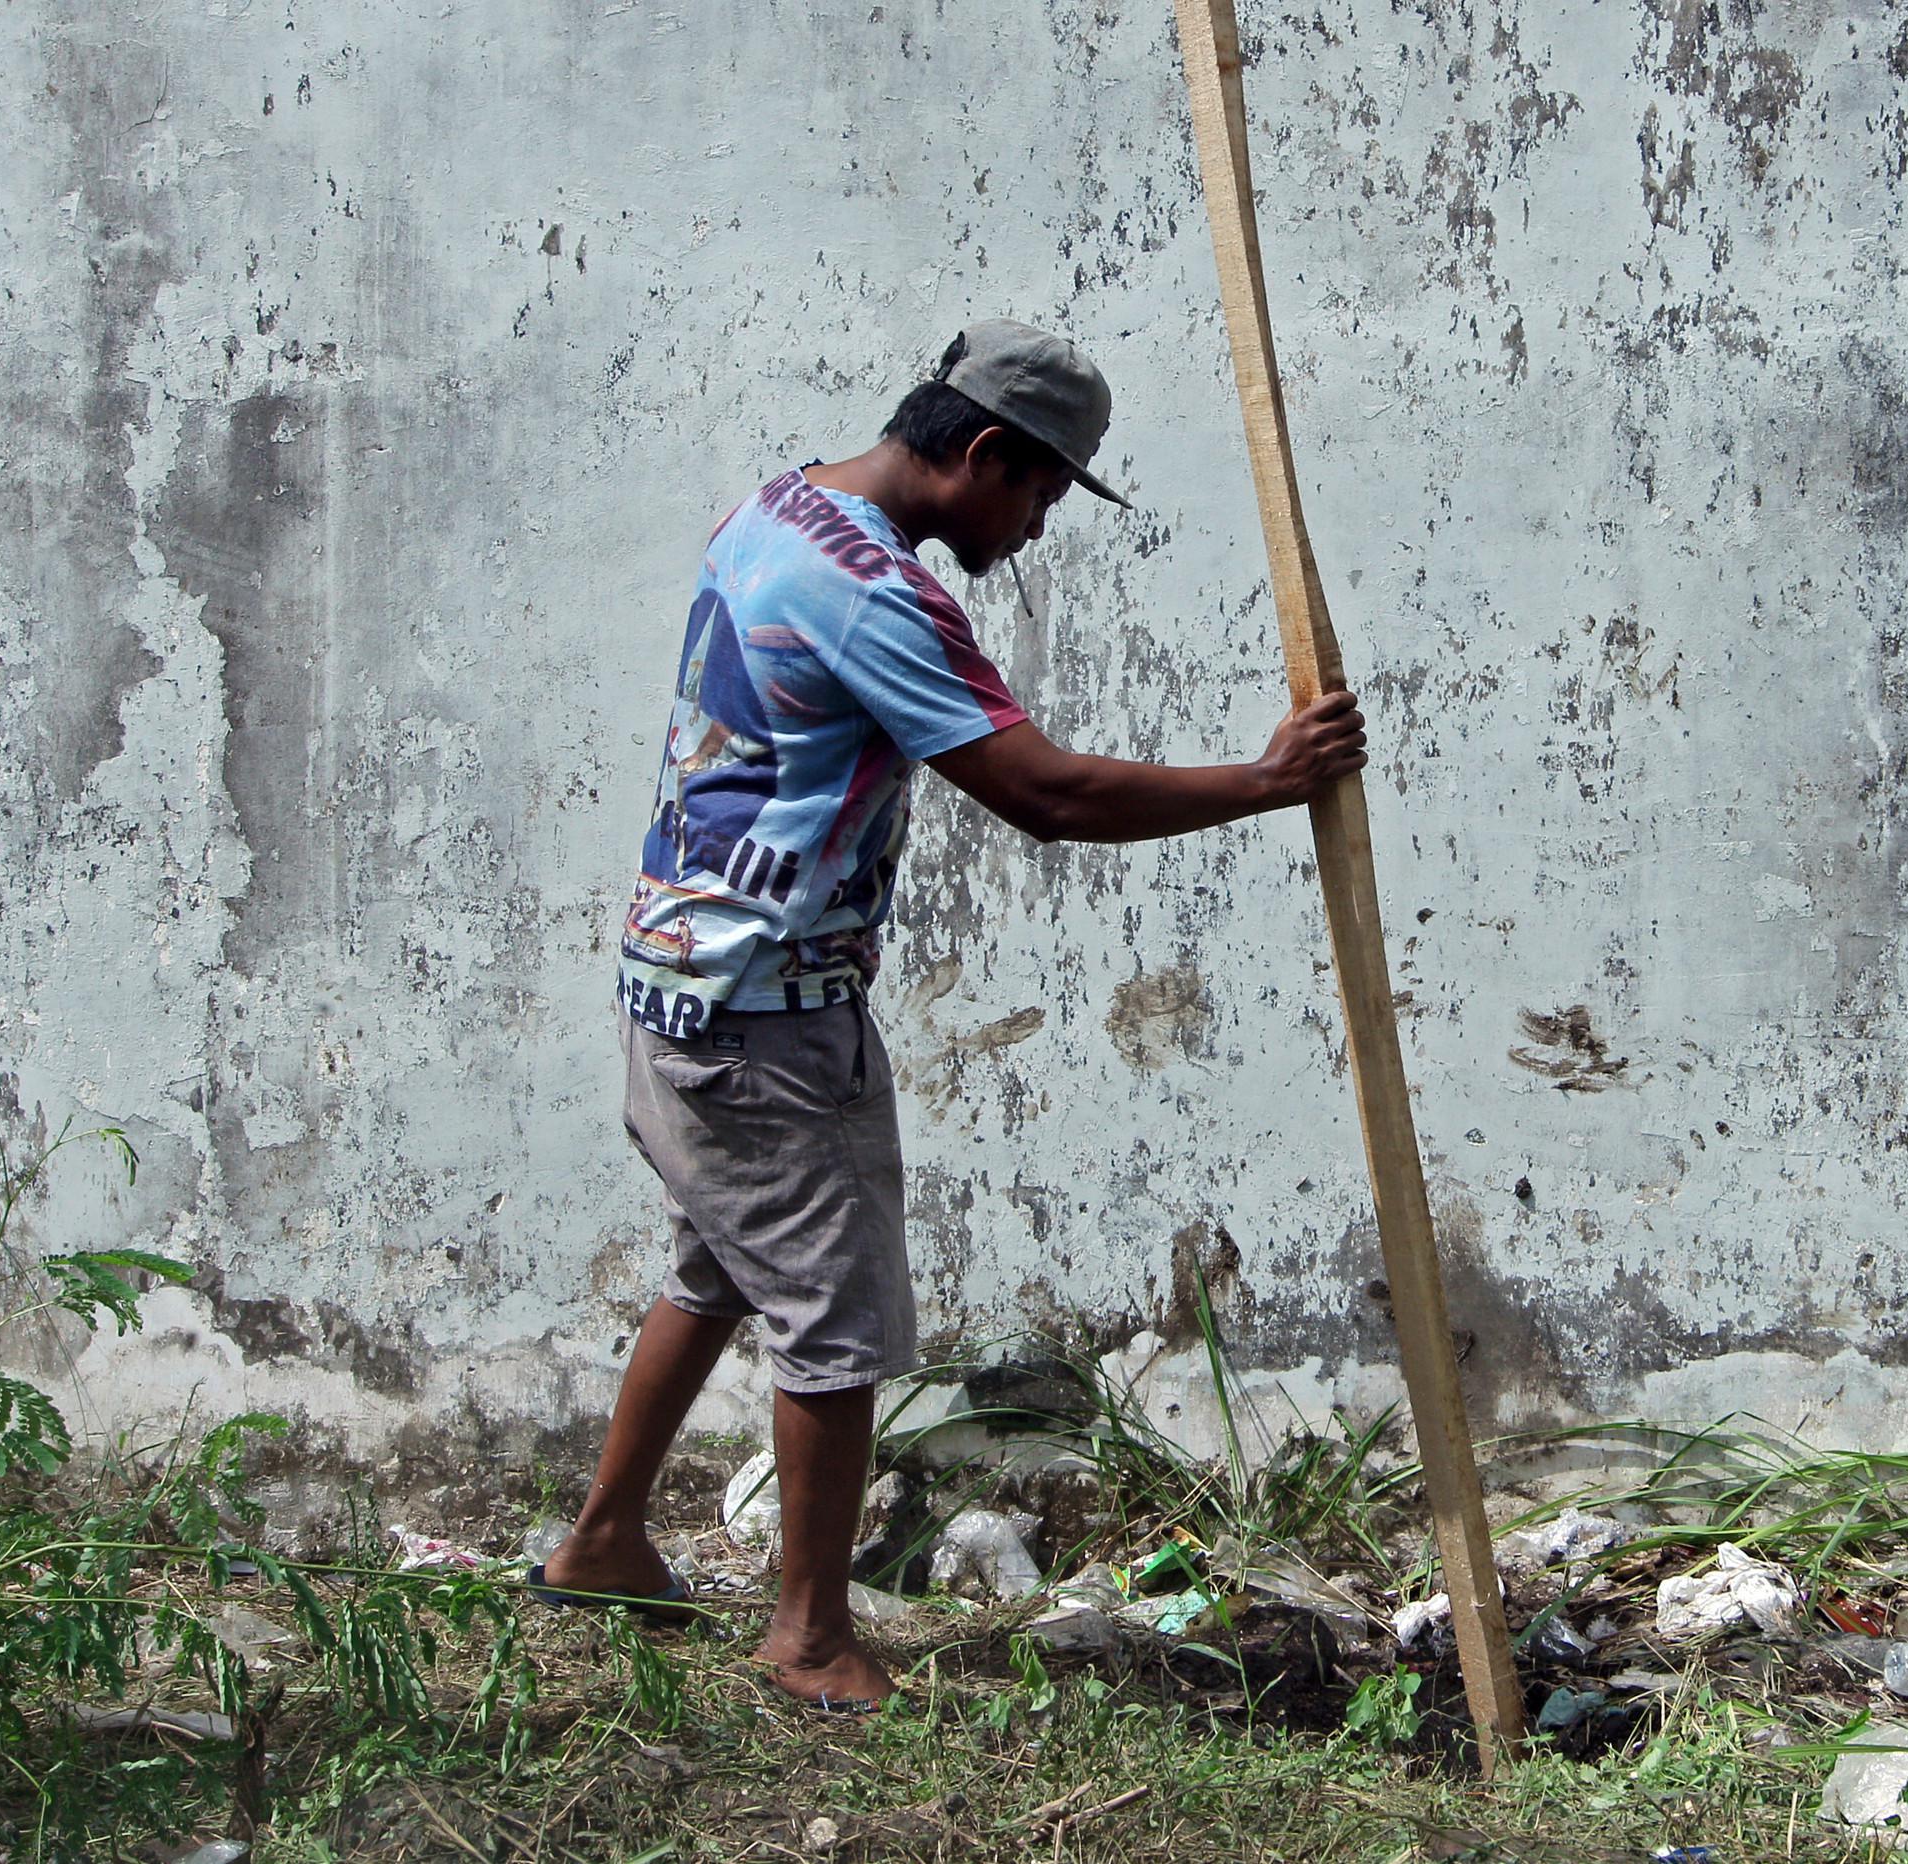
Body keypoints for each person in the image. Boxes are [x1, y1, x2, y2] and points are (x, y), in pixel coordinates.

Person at [532, 319, 1366, 1710]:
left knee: (722, 1264)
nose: (1034, 527)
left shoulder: (777, 507)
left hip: (678, 979)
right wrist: (1264, 782)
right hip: (772, 1013)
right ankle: (808, 1638)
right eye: (1037, 491)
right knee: (836, 1317)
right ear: (980, 454)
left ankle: (607, 1540)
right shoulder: (880, 597)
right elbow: (1047, 794)